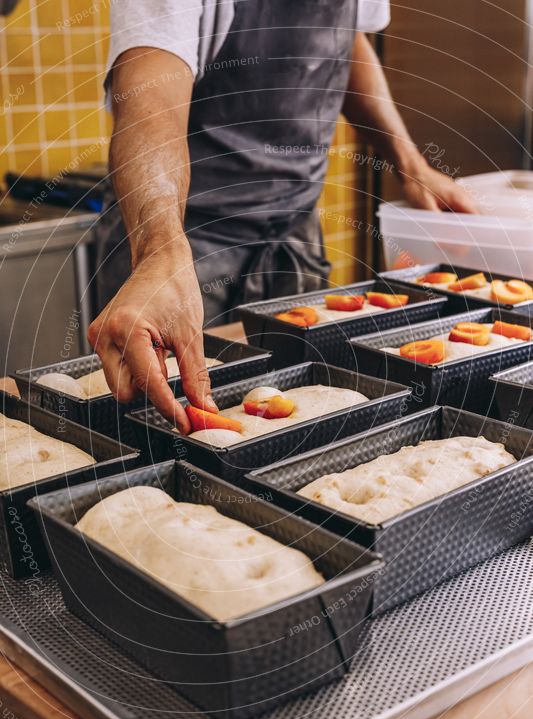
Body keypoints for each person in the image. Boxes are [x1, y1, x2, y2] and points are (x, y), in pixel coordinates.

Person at [89, 0, 476, 432]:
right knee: (163, 426)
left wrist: (410, 163)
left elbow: (345, 43)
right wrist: (160, 251)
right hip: (185, 239)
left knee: (297, 425)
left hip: (292, 233)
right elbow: (150, 95)